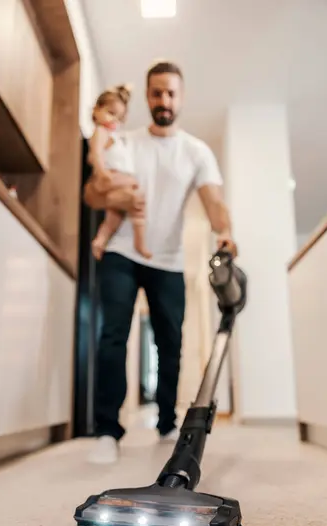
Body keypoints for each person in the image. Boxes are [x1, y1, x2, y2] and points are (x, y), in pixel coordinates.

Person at [84, 60, 237, 464]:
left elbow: (214, 201)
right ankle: (106, 430)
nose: (163, 99)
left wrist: (224, 232)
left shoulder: (196, 151)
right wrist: (114, 197)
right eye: (156, 92)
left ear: (181, 97)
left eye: (171, 92)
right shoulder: (125, 142)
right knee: (112, 335)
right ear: (148, 96)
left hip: (167, 259)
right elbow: (91, 195)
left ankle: (167, 422)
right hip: (121, 250)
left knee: (170, 342)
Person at [88, 84, 151, 260]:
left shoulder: (116, 137)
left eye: (119, 118)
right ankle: (140, 242)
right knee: (137, 198)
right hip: (111, 176)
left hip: (116, 178)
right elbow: (97, 153)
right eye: (110, 112)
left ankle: (101, 239)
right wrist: (101, 172)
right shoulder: (100, 132)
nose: (113, 120)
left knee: (116, 214)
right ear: (96, 110)